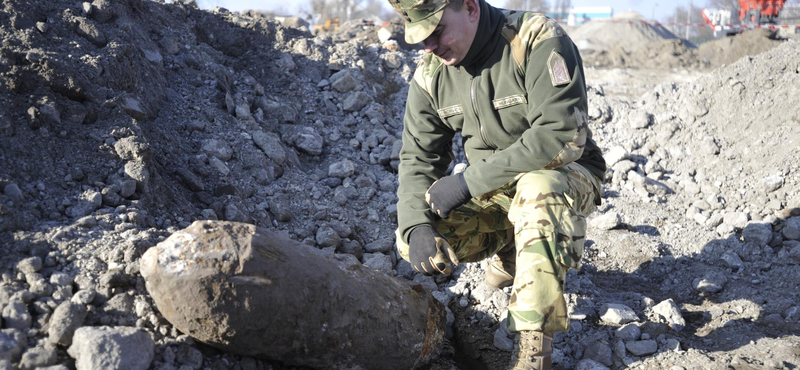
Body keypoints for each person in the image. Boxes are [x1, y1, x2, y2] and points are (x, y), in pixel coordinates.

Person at [388, 0, 607, 369]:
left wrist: (467, 182)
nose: (430, 46)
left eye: (437, 32)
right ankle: (514, 243)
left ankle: (533, 348)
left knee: (538, 190)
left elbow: (561, 136)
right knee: (411, 238)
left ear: (470, 8)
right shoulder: (431, 75)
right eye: (421, 39)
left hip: (565, 174)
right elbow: (418, 160)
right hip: (496, 187)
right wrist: (416, 226)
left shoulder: (535, 39)